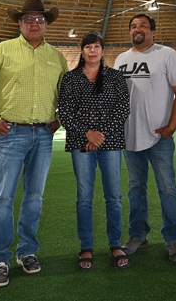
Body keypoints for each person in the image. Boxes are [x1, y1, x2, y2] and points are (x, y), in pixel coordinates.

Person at [0, 0, 68, 287]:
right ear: (20, 23)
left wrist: (59, 118)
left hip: (44, 134)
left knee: (34, 197)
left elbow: (68, 92)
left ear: (46, 24)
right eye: (29, 19)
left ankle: (27, 251)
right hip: (11, 133)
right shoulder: (3, 50)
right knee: (3, 198)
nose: (35, 23)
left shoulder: (57, 57)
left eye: (40, 19)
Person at [114, 14, 176, 262]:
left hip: (159, 138)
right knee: (135, 189)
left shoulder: (167, 55)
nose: (138, 29)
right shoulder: (121, 59)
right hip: (129, 137)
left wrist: (172, 126)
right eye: (134, 26)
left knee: (167, 188)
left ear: (153, 31)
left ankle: (174, 240)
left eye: (143, 25)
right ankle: (138, 236)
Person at [58, 32, 130, 271]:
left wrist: (99, 137)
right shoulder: (70, 79)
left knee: (114, 197)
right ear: (82, 51)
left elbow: (122, 110)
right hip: (81, 145)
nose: (92, 51)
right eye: (88, 47)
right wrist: (87, 134)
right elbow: (65, 112)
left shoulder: (116, 78)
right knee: (84, 198)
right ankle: (86, 246)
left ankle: (116, 244)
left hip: (109, 144)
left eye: (96, 47)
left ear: (102, 50)